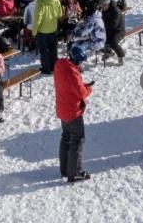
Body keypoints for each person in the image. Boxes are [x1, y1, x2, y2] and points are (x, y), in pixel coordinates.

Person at [54, 45, 92, 183]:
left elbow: (72, 86)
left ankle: (64, 169)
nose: (82, 65)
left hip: (62, 109)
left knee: (66, 139)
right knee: (77, 140)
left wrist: (81, 84)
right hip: (73, 112)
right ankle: (74, 172)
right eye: (81, 62)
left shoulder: (60, 66)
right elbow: (81, 93)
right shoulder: (72, 72)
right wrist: (88, 88)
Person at [34, 0, 63, 75]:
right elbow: (59, 14)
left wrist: (34, 31)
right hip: (53, 29)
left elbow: (37, 18)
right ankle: (54, 67)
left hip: (42, 30)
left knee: (44, 51)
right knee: (53, 50)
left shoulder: (40, 1)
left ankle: (46, 68)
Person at [101, 0, 128, 65]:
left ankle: (121, 56)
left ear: (107, 5)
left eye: (103, 6)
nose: (102, 8)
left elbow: (113, 24)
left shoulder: (116, 11)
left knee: (113, 42)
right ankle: (109, 52)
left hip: (118, 31)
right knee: (100, 40)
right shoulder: (104, 10)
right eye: (102, 6)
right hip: (109, 30)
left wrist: (103, 26)